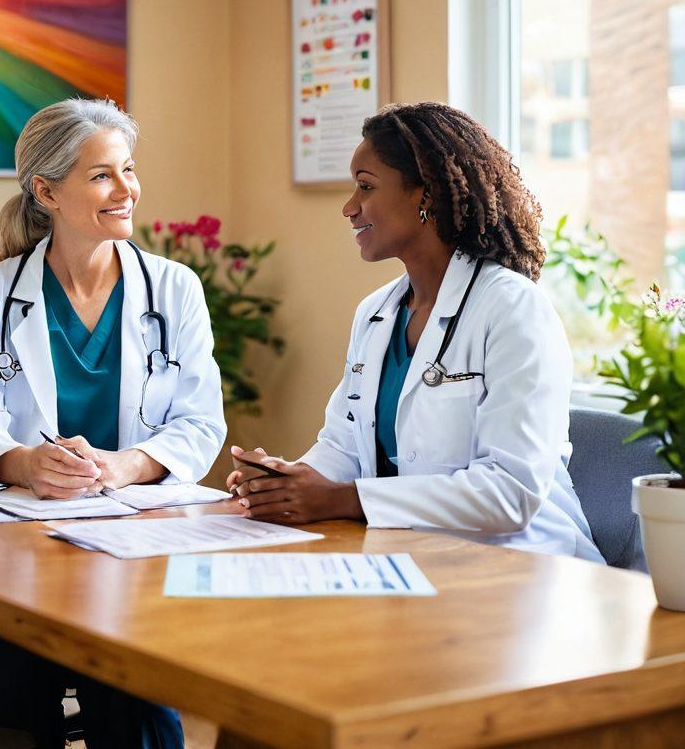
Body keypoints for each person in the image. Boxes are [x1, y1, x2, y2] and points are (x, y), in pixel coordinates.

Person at [0, 98, 225, 748]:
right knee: (16, 688)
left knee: (134, 700)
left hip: (136, 544)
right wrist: (25, 464)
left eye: (129, 169)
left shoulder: (174, 288)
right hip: (26, 546)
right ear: (47, 192)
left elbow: (201, 424)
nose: (127, 190)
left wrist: (125, 466)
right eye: (101, 175)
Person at [228, 101, 602, 563]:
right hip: (418, 556)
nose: (349, 207)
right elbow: (344, 446)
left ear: (425, 195)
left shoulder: (512, 308)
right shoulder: (376, 313)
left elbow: (510, 494)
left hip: (528, 567)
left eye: (366, 187)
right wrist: (284, 484)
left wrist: (345, 499)